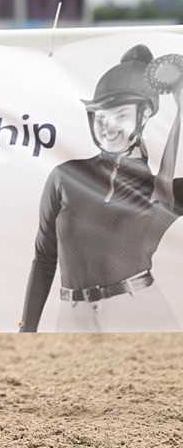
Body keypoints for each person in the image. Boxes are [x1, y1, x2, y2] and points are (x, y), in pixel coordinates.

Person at [22, 45, 183, 332]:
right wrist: (26, 329)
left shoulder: (166, 190)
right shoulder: (65, 177)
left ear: (144, 114)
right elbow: (45, 258)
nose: (107, 127)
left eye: (120, 115)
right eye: (101, 116)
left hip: (140, 310)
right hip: (72, 316)